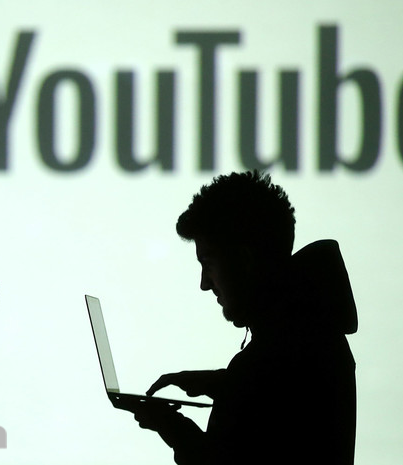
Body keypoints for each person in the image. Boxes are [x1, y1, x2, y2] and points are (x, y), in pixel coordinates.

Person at [114, 171, 358, 465]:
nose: (204, 283)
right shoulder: (316, 338)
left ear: (244, 260)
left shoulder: (265, 362)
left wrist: (174, 428)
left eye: (208, 264)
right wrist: (224, 385)